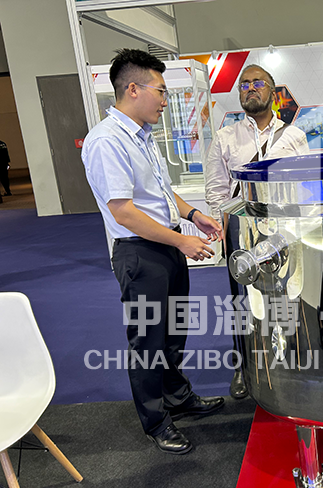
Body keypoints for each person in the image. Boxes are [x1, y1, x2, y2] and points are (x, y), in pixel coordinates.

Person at [81, 49, 225, 455]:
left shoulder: (143, 137)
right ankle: (156, 421)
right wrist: (181, 241)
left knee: (174, 332)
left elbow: (160, 192)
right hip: (140, 254)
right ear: (133, 89)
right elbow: (124, 212)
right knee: (148, 340)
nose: (165, 100)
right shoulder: (107, 141)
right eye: (161, 91)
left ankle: (178, 398)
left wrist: (193, 215)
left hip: (165, 246)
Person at [204, 64, 309, 399]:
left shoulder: (294, 136)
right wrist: (222, 227)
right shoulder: (225, 137)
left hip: (284, 228)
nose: (250, 88)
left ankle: (290, 357)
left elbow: (305, 186)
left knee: (288, 292)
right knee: (242, 300)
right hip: (242, 229)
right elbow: (217, 190)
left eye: (257, 83)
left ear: (272, 92)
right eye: (244, 84)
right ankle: (244, 366)